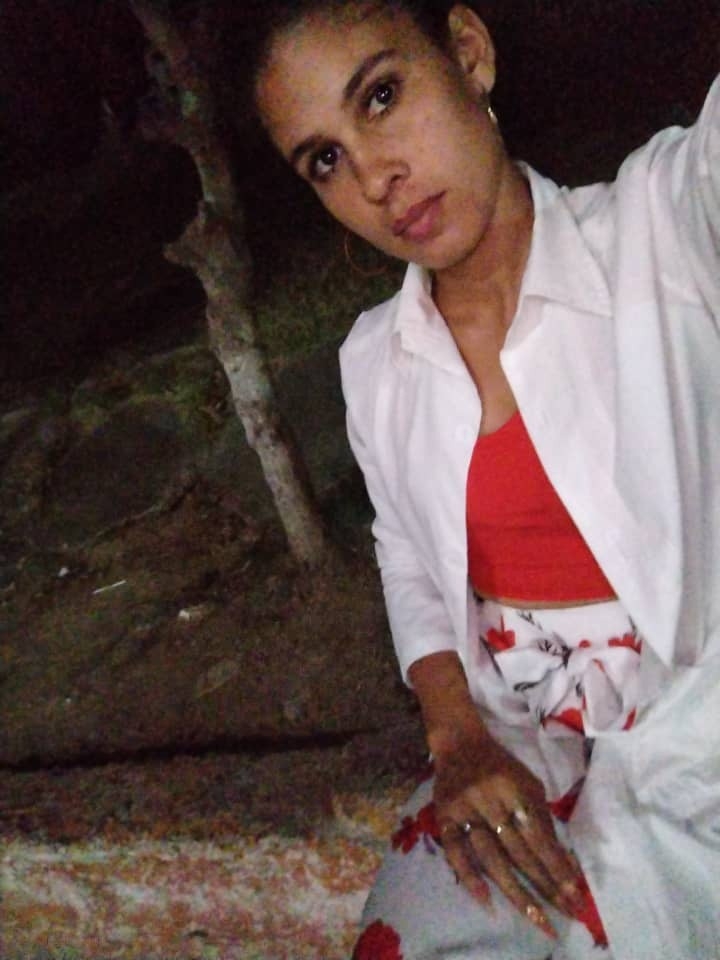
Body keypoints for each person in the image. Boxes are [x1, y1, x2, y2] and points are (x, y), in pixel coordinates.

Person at [251, 2, 720, 957]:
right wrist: (456, 735)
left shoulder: (665, 230)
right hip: (514, 740)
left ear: (468, 54)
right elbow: (405, 553)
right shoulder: (377, 362)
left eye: (381, 96)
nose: (375, 178)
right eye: (325, 159)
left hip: (696, 731)